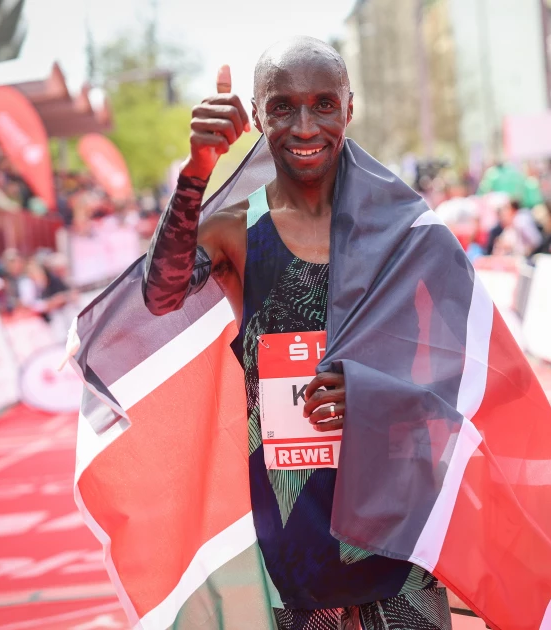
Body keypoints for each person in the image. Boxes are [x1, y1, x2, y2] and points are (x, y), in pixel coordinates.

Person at [142, 37, 453, 629]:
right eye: (282, 107)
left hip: (397, 517)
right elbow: (160, 295)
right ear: (258, 117)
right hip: (293, 531)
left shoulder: (400, 228)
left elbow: (452, 367)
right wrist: (196, 172)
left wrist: (372, 394)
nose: (305, 125)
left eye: (323, 105)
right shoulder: (234, 228)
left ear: (348, 109)